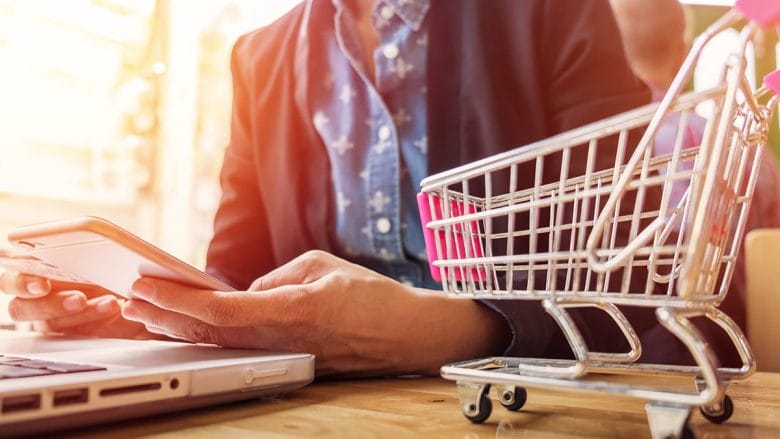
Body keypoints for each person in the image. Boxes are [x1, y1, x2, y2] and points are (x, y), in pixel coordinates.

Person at [1, 0, 657, 376]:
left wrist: (452, 329)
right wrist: (143, 312)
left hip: (517, 401)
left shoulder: (547, 12)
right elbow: (237, 278)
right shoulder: (258, 57)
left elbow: (633, 273)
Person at [610, 0, 780, 346]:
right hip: (735, 334)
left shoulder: (596, 148)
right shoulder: (746, 147)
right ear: (683, 53)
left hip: (626, 327)